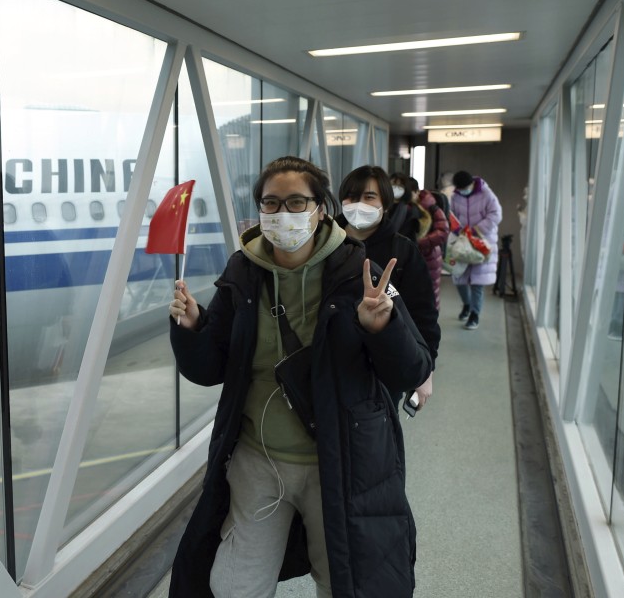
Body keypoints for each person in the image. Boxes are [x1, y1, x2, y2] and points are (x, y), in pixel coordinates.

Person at [167, 156, 432, 598]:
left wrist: (381, 327)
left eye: (295, 202)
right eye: (270, 203)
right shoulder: (242, 273)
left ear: (320, 210)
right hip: (257, 459)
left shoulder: (359, 273)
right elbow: (209, 369)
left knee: (345, 581)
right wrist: (194, 328)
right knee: (233, 584)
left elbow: (412, 368)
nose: (281, 214)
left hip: (341, 461)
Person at [336, 167, 439, 407]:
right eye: (351, 196)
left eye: (369, 197)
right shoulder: (325, 244)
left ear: (385, 203)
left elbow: (423, 315)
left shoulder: (403, 250)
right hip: (332, 363)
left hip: (384, 368)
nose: (358, 204)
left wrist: (425, 370)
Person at [450, 170, 503, 330]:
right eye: (460, 189)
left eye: (465, 188)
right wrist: (458, 229)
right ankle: (467, 304)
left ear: (472, 184)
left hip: (482, 242)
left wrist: (477, 229)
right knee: (459, 277)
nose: (463, 191)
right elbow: (451, 215)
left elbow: (496, 214)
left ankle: (474, 315)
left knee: (477, 282)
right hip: (463, 242)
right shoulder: (455, 196)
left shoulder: (486, 194)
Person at [389, 173, 449, 309]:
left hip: (429, 257)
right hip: (412, 257)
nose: (395, 189)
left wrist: (418, 243)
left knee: (427, 296)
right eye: (392, 185)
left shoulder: (427, 207)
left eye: (399, 186)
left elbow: (443, 231)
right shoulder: (394, 208)